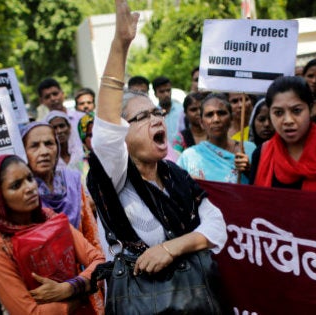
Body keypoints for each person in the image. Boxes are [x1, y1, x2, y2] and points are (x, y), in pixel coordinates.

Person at [87, 0, 227, 309]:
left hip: (195, 300)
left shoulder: (175, 176)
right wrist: (120, 45)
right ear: (123, 136)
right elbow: (106, 131)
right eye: (142, 117)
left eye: (157, 112)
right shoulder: (116, 178)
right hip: (141, 303)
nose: (156, 119)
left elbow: (216, 227)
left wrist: (171, 248)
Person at [0, 155, 105, 315]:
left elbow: (99, 261)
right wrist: (78, 298)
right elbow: (29, 312)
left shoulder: (49, 218)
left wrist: (68, 288)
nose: (30, 187)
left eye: (30, 178)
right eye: (16, 185)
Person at [20, 121, 101, 251]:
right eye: (34, 146)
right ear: (23, 151)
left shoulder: (71, 180)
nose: (44, 152)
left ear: (57, 147)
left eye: (49, 144)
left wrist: (97, 264)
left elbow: (90, 230)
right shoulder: (22, 192)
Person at [249, 76, 316, 192]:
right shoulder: (261, 154)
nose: (288, 120)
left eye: (296, 111)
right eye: (278, 113)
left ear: (310, 109)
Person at [177, 93, 256, 183]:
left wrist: (249, 171)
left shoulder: (249, 149)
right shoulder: (189, 157)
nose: (216, 119)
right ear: (201, 123)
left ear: (231, 119)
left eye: (221, 113)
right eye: (209, 115)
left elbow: (262, 188)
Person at [152, 76, 185, 143]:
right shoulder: (154, 114)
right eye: (162, 91)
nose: (166, 94)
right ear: (155, 94)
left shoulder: (181, 110)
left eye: (168, 90)